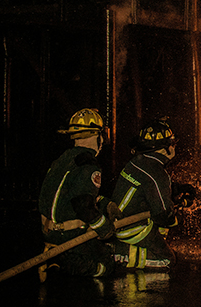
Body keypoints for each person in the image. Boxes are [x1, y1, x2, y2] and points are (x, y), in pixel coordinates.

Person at [38, 108, 120, 278]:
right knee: (107, 262)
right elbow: (82, 204)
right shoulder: (88, 165)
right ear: (98, 136)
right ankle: (67, 266)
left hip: (49, 231)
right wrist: (105, 228)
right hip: (68, 236)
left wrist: (106, 204)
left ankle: (59, 261)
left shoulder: (63, 159)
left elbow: (69, 194)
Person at [111, 118, 181, 270]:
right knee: (168, 260)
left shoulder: (139, 162)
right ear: (165, 148)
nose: (174, 147)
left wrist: (177, 189)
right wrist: (176, 215)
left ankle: (129, 247)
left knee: (161, 231)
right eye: (173, 143)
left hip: (119, 221)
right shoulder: (157, 172)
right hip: (131, 227)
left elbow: (148, 189)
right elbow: (163, 214)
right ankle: (123, 255)